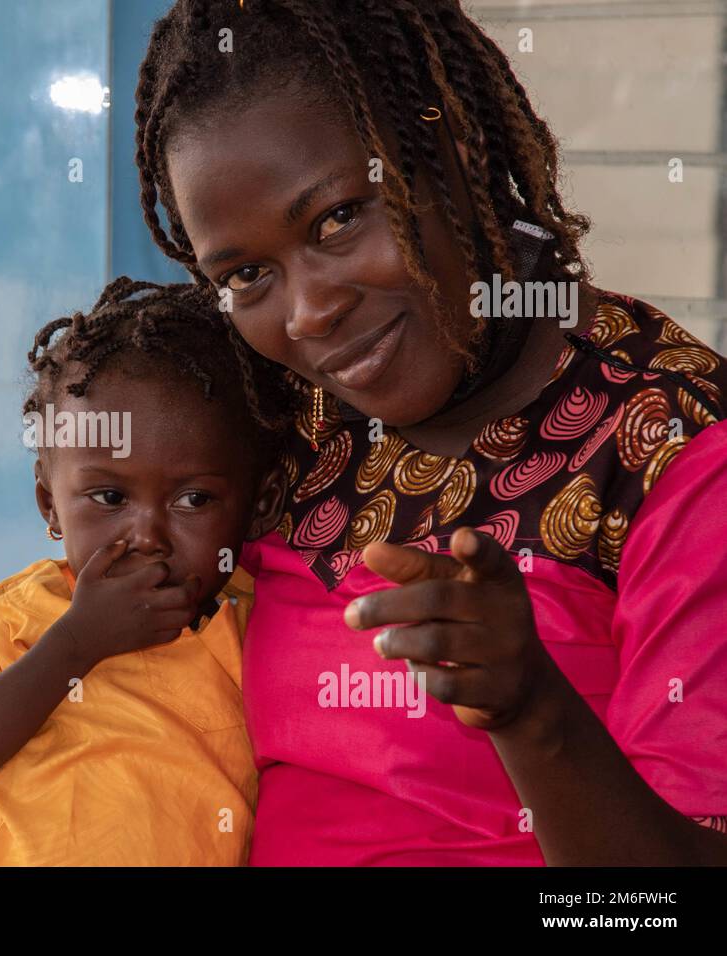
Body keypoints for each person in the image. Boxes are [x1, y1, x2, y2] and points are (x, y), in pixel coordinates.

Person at [132, 0, 727, 864]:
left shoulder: (672, 445)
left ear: (447, 152)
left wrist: (531, 711)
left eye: (338, 218)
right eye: (249, 273)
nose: (309, 313)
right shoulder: (279, 420)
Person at [0, 277, 289, 865]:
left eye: (194, 501)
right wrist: (75, 644)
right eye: (107, 499)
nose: (146, 536)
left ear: (261, 504)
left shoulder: (261, 625)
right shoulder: (19, 617)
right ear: (50, 504)